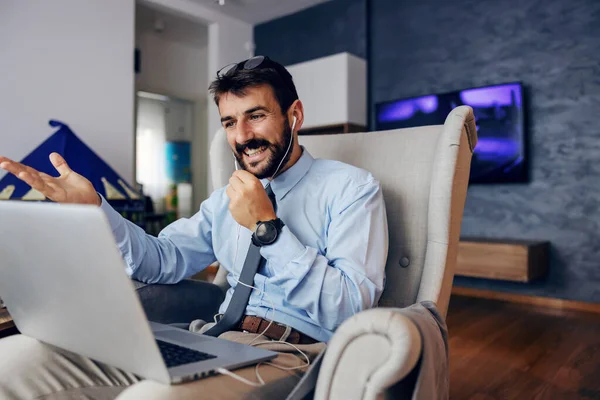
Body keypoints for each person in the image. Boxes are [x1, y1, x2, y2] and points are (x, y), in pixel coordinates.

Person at [0, 56, 388, 399]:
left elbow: (349, 309)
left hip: (294, 354)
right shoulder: (224, 200)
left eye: (256, 115)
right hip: (213, 339)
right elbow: (161, 260)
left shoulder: (351, 188)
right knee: (16, 360)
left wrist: (266, 227)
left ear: (294, 115)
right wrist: (95, 209)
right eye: (230, 122)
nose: (242, 137)